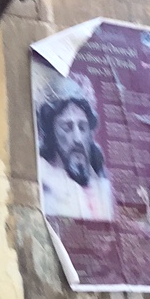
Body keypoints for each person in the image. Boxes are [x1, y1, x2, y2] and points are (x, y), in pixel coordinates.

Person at [36, 75, 115, 222]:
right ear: (51, 133)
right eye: (67, 127)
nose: (78, 139)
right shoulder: (43, 183)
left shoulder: (101, 184)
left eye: (82, 127)